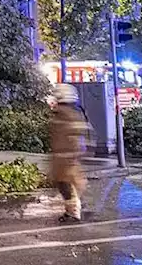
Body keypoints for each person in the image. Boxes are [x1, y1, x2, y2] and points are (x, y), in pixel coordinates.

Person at [50, 83, 89, 223]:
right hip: (63, 156)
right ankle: (73, 209)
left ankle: (74, 212)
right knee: (65, 184)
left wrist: (71, 154)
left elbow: (74, 135)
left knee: (67, 184)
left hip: (66, 157)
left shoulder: (67, 114)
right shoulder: (65, 113)